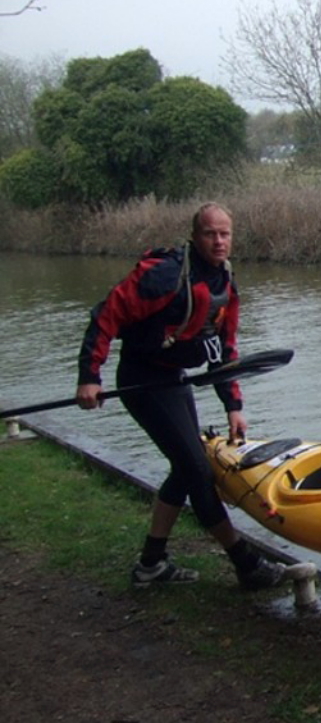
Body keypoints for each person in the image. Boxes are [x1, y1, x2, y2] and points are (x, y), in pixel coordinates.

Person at [75, 202, 286, 591]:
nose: (219, 241)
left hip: (173, 379)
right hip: (142, 381)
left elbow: (225, 349)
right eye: (210, 233)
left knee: (186, 463)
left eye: (225, 234)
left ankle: (151, 564)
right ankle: (247, 564)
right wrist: (90, 376)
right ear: (195, 236)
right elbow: (106, 315)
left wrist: (233, 406)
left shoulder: (225, 281)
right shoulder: (166, 275)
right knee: (197, 469)